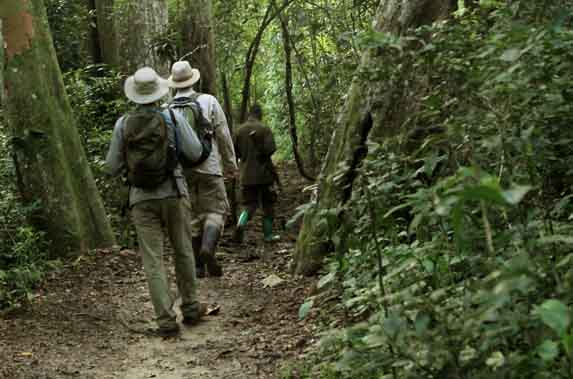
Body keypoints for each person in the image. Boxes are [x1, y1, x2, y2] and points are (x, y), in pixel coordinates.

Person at [105, 67, 204, 337]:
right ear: (159, 92)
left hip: (140, 199)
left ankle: (165, 320)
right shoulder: (171, 116)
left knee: (153, 260)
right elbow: (195, 151)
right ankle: (192, 308)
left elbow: (111, 166)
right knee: (183, 250)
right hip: (173, 191)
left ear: (134, 95)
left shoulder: (123, 124)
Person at [167, 61, 238, 277]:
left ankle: (198, 265)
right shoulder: (208, 101)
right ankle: (208, 249)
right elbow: (223, 135)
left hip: (181, 171)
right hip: (209, 167)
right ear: (192, 79)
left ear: (174, 84)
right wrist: (231, 165)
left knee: (192, 216)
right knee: (216, 211)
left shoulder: (167, 108)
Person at [233, 103, 280, 243]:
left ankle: (240, 225)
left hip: (246, 175)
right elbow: (271, 149)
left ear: (249, 114)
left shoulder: (239, 130)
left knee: (249, 205)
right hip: (265, 174)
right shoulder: (264, 129)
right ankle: (268, 235)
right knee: (268, 205)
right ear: (260, 114)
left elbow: (235, 153)